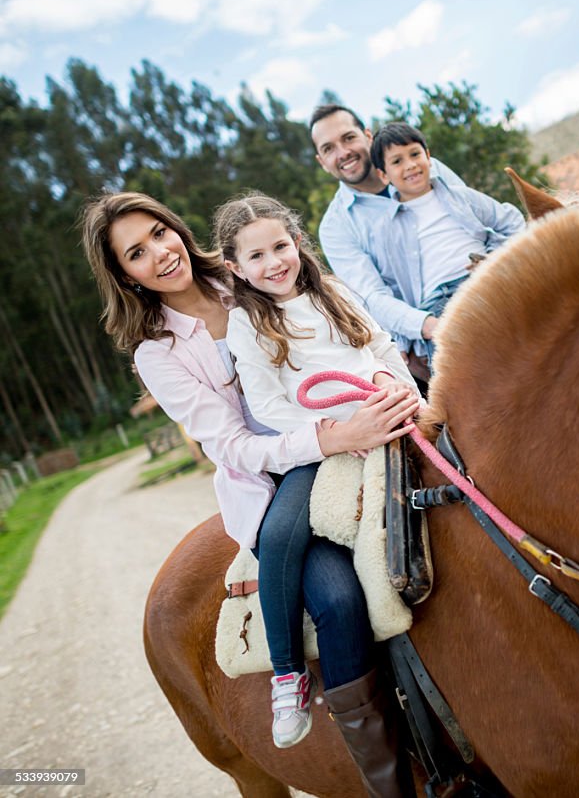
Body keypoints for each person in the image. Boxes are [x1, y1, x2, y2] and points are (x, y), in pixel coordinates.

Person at [80, 192, 412, 797]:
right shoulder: (159, 353)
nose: (159, 252)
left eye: (159, 232)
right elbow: (231, 444)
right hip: (274, 480)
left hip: (354, 428)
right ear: (123, 274)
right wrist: (332, 437)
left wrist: (386, 383)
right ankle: (388, 780)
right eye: (136, 252)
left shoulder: (254, 269)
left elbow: (352, 335)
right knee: (338, 603)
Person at [311, 105, 525, 370]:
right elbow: (373, 299)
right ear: (321, 161)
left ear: (367, 135)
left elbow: (476, 223)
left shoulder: (428, 169)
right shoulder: (336, 227)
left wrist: (493, 260)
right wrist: (428, 327)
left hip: (488, 278)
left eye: (348, 138)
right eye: (328, 148)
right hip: (428, 321)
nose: (343, 153)